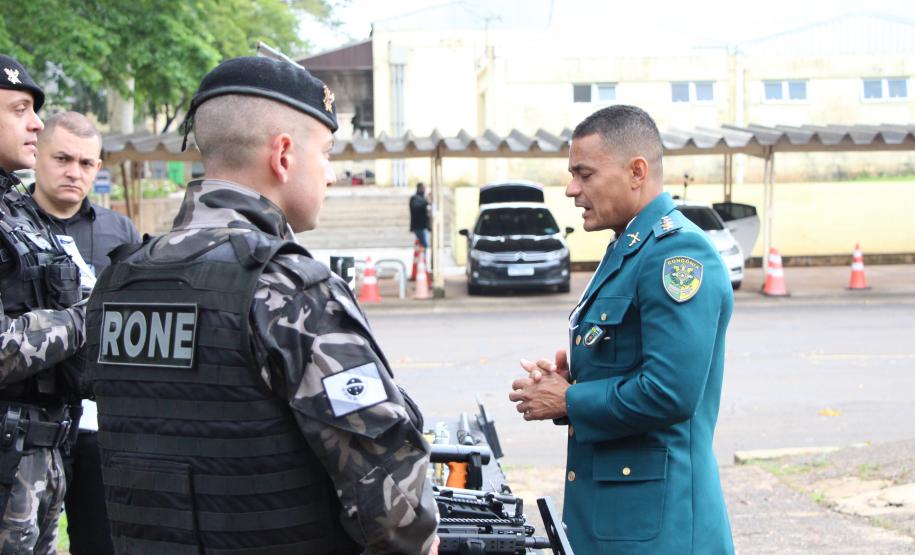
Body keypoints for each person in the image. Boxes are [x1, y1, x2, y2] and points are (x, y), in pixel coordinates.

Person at [84, 56, 439, 555]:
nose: (332, 175)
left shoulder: (119, 282)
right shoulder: (291, 287)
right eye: (328, 153)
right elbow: (389, 489)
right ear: (284, 154)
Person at [509, 105, 734, 554]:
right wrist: (571, 386)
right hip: (620, 520)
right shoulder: (629, 248)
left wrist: (569, 399)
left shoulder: (677, 256)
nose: (571, 189)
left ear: (637, 171)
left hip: (659, 530)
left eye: (585, 174)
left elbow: (671, 391)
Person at [31, 111, 139, 555]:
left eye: (86, 163)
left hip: (100, 424)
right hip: (28, 423)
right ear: (36, 156)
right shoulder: (10, 229)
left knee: (103, 542)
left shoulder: (119, 232)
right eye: (62, 158)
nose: (74, 172)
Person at [0, 55, 86, 554]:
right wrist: (85, 320)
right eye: (19, 109)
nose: (36, 123)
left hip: (42, 455)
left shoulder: (19, 208)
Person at [409, 181, 431, 248]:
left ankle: (422, 258)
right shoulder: (414, 198)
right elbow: (417, 208)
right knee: (424, 245)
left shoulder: (423, 198)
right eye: (423, 188)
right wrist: (427, 202)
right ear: (419, 188)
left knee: (422, 246)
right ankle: (423, 258)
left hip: (423, 226)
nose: (424, 190)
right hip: (419, 226)